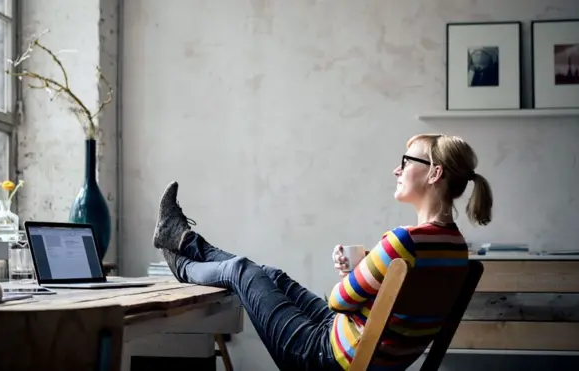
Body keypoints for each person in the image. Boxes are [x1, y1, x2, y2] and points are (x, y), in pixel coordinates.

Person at [152, 133, 493, 371]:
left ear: (434, 173)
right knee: (271, 276)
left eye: (407, 161)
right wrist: (359, 276)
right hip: (360, 348)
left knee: (242, 271)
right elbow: (384, 307)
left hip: (325, 357)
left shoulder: (404, 241)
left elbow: (338, 300)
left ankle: (181, 260)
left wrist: (351, 278)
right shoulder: (456, 249)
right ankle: (181, 239)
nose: (397, 170)